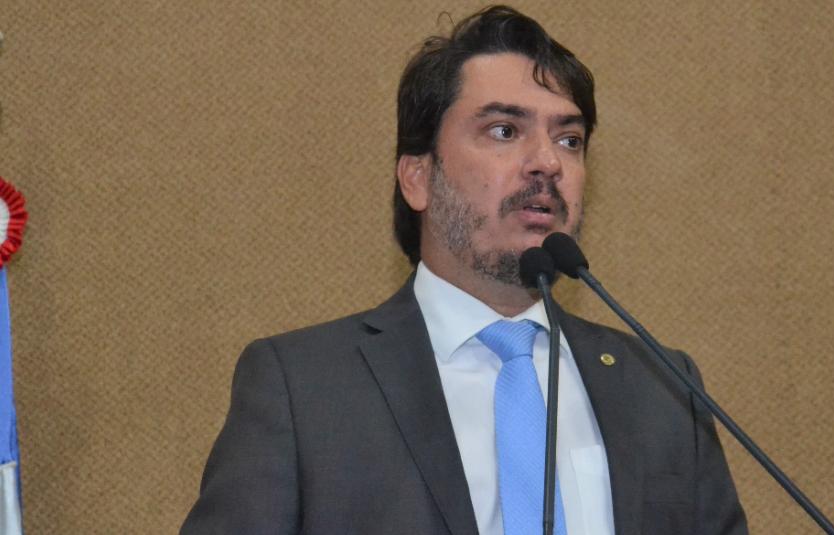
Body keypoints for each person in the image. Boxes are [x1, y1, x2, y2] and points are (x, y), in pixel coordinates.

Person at [181, 6, 747, 534]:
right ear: (418, 178)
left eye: (569, 139)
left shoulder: (662, 387)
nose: (548, 162)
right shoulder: (304, 389)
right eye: (504, 131)